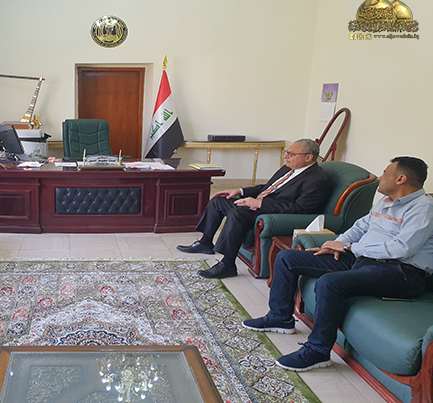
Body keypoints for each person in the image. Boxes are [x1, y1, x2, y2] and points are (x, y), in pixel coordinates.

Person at [243, 157, 433, 371]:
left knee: (329, 283)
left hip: (401, 273)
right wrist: (337, 244)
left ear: (401, 179)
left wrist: (351, 248)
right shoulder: (386, 201)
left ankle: (318, 351)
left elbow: (402, 248)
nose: (380, 177)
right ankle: (279, 317)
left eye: (385, 173)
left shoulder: (423, 208)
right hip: (363, 258)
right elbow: (360, 227)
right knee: (288, 258)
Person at [177, 138, 331, 279]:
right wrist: (240, 191)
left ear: (308, 157)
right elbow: (268, 188)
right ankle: (205, 243)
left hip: (274, 213)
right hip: (261, 205)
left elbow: (300, 209)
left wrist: (260, 204)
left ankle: (228, 265)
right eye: (287, 153)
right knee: (219, 201)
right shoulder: (288, 168)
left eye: (291, 154)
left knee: (237, 213)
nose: (286, 157)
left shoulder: (317, 180)